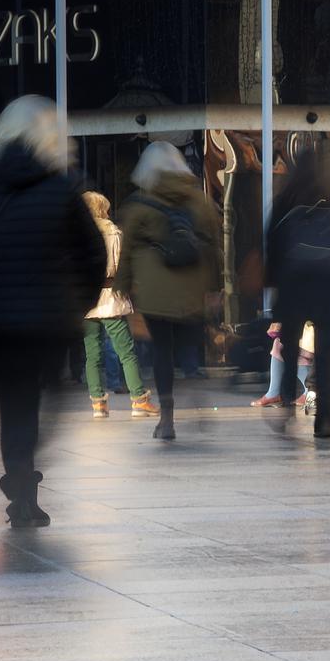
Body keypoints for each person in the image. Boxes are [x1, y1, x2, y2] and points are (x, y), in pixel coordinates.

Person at [0, 96, 103, 524]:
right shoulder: (63, 188)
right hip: (52, 322)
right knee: (48, 398)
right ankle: (26, 486)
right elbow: (92, 255)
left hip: (0, 326)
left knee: (14, 404)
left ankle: (19, 479)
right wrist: (80, 302)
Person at [114, 141, 221, 441]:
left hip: (154, 290)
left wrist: (122, 286)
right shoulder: (199, 200)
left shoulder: (138, 204)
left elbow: (126, 251)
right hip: (193, 285)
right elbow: (214, 246)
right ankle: (194, 386)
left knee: (162, 349)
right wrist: (215, 287)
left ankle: (167, 417)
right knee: (189, 346)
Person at [266, 153, 330, 441]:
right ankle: (325, 421)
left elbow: (271, 250)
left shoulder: (285, 204)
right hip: (326, 294)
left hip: (294, 291)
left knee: (290, 351)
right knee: (325, 356)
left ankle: (286, 410)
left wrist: (276, 286)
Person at [82, 189, 158, 420]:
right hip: (110, 298)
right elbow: (120, 266)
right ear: (102, 209)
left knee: (92, 354)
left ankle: (98, 404)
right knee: (126, 351)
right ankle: (139, 400)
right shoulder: (112, 232)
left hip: (86, 300)